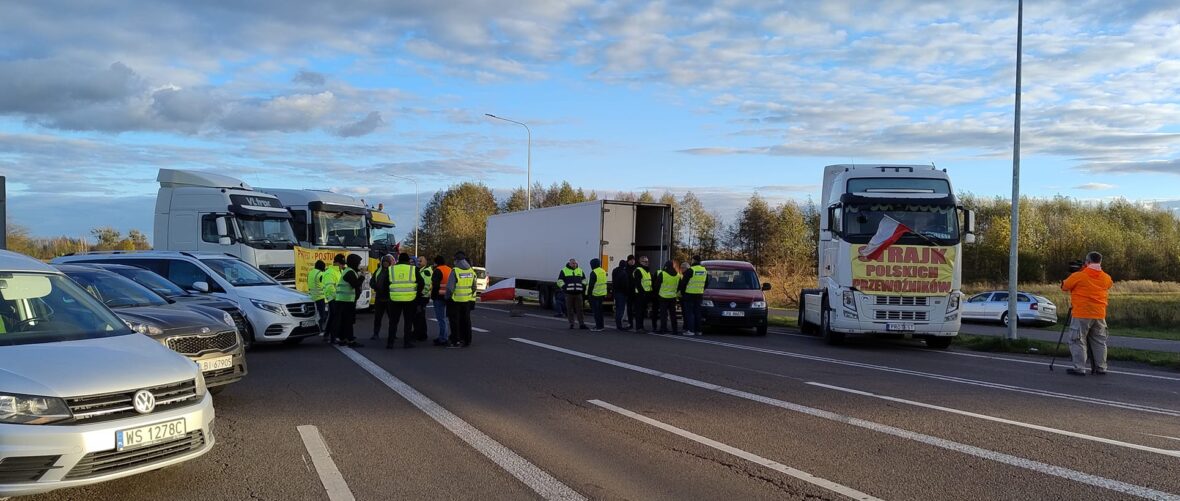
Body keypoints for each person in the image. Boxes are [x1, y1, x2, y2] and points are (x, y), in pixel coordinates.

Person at [1061, 251, 1114, 376]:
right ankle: (1101, 367)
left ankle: (1079, 368)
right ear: (1100, 262)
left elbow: (1064, 286)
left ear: (1087, 262)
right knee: (1099, 341)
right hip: (1099, 314)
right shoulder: (1106, 277)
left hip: (1081, 313)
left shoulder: (1079, 276)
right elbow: (1109, 285)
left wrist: (1077, 272)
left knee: (1078, 340)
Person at [385, 253, 422, 349]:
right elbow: (421, 282)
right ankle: (407, 342)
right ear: (408, 260)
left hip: (394, 299)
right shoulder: (413, 269)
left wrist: (389, 294)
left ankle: (390, 343)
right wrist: (417, 294)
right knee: (408, 322)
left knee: (393, 322)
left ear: (399, 260)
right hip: (410, 299)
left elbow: (385, 283)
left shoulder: (391, 269)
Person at [447, 252, 478, 347]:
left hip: (455, 300)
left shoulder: (455, 271)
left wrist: (447, 297)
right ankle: (467, 340)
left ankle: (455, 341)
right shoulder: (471, 271)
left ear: (456, 260)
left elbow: (450, 288)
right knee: (466, 321)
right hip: (467, 300)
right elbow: (474, 287)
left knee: (455, 321)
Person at [333, 254, 365, 347]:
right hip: (346, 301)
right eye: (358, 263)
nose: (359, 264)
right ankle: (350, 340)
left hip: (343, 300)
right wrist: (362, 277)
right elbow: (355, 284)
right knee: (348, 321)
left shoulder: (349, 271)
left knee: (344, 321)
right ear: (354, 263)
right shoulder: (350, 272)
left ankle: (343, 339)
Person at [369, 255, 395, 341]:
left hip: (389, 297)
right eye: (384, 262)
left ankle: (393, 334)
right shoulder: (378, 271)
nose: (385, 263)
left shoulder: (392, 271)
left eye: (387, 262)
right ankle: (376, 333)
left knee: (392, 318)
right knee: (377, 317)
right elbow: (372, 282)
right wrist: (375, 286)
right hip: (379, 297)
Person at [557, 258, 588, 330]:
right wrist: (564, 287)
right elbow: (559, 281)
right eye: (572, 263)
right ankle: (571, 323)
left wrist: (583, 286)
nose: (574, 264)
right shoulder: (564, 271)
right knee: (569, 309)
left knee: (580, 309)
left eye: (575, 263)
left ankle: (581, 324)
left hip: (578, 293)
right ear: (569, 263)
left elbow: (584, 280)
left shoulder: (580, 270)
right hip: (569, 294)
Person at [680, 256, 707, 337]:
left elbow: (683, 283)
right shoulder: (704, 270)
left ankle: (690, 330)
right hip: (699, 294)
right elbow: (706, 282)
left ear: (693, 260)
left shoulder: (691, 270)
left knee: (690, 313)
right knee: (698, 313)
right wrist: (701, 289)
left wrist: (683, 293)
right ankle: (698, 331)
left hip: (689, 294)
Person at [324, 254, 346, 343]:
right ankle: (333, 337)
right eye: (341, 263)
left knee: (333, 317)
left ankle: (327, 334)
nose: (343, 265)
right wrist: (335, 298)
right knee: (336, 318)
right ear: (336, 263)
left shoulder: (339, 271)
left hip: (338, 298)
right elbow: (329, 287)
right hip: (334, 298)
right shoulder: (330, 272)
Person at [653, 260, 680, 335]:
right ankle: (675, 330)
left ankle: (663, 329)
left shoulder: (663, 274)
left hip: (663, 297)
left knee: (663, 314)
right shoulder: (677, 275)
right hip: (673, 297)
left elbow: (656, 286)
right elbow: (679, 286)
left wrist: (657, 294)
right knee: (673, 315)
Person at [430, 256, 452, 346]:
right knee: (445, 318)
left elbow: (435, 285)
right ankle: (444, 336)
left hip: (439, 297)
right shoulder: (449, 269)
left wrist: (433, 296)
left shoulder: (438, 270)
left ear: (436, 263)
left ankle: (443, 338)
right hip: (448, 297)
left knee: (441, 319)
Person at [631, 256, 653, 332]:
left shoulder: (647, 271)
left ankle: (641, 327)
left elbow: (649, 282)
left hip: (646, 294)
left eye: (647, 261)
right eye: (645, 261)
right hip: (640, 295)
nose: (647, 263)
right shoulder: (638, 270)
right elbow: (637, 283)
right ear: (640, 262)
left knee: (643, 312)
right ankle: (639, 327)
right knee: (639, 312)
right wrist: (642, 293)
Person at [308, 260, 330, 333]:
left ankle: (314, 328)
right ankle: (320, 329)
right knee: (322, 315)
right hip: (320, 297)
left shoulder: (310, 273)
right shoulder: (320, 274)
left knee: (314, 314)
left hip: (311, 297)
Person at [413, 258, 432, 342]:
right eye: (418, 261)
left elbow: (426, 285)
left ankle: (421, 334)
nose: (418, 262)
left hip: (422, 297)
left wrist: (420, 294)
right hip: (420, 296)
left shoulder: (426, 271)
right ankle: (418, 332)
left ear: (425, 262)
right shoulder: (421, 270)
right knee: (417, 316)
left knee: (420, 316)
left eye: (421, 261)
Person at [587, 258, 608, 332]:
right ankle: (601, 326)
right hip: (602, 294)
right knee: (600, 311)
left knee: (596, 312)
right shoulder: (603, 271)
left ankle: (598, 327)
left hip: (595, 294)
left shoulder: (594, 272)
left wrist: (588, 294)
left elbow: (591, 285)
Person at [612, 258, 631, 330]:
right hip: (622, 293)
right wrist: (627, 293)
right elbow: (625, 285)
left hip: (616, 292)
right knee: (621, 309)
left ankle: (618, 324)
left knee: (617, 308)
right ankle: (619, 325)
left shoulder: (615, 271)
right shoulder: (624, 273)